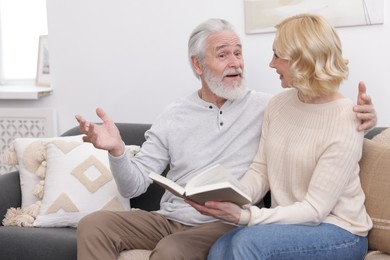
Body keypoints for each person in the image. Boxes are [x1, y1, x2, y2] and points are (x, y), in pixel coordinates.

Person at [75, 18, 376, 260]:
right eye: (223, 55)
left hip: (228, 222)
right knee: (93, 224)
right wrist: (116, 150)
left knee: (184, 249)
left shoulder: (263, 105)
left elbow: (324, 113)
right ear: (198, 66)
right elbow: (134, 186)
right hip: (174, 216)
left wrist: (364, 118)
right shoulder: (179, 113)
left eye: (238, 52)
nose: (237, 63)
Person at [187, 14, 373, 260]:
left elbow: (316, 209)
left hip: (339, 231)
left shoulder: (347, 117)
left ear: (302, 61)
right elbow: (261, 169)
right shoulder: (277, 105)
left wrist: (246, 216)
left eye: (277, 56)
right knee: (220, 248)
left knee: (247, 244)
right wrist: (232, 195)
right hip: (287, 225)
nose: (271, 64)